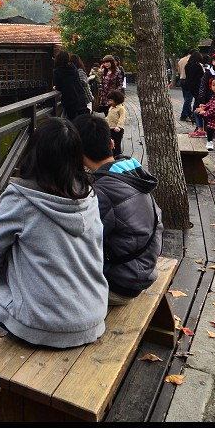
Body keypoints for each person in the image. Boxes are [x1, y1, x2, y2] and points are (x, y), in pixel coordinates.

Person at [0, 117, 108, 400]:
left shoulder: (22, 197)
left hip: (45, 324)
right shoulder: (88, 193)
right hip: (93, 315)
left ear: (35, 152)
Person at [72, 113, 162, 305]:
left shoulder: (102, 192)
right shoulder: (133, 173)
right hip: (143, 270)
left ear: (77, 153)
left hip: (119, 285)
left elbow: (83, 243)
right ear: (112, 144)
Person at [53, 50, 91, 118]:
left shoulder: (57, 71)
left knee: (73, 122)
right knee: (82, 121)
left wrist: (55, 88)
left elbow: (59, 86)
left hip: (70, 100)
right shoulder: (73, 67)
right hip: (81, 97)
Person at [181, 50, 203, 123]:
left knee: (187, 100)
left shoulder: (187, 65)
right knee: (196, 101)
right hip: (196, 85)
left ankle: (188, 114)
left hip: (187, 84)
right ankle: (194, 116)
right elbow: (202, 75)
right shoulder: (197, 66)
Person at [106, 90, 127, 155]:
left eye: (111, 100)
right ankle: (111, 154)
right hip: (110, 128)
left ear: (117, 100)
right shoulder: (111, 107)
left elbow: (122, 118)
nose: (109, 102)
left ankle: (117, 155)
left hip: (117, 129)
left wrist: (118, 126)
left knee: (117, 143)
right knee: (110, 143)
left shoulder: (121, 108)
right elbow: (108, 117)